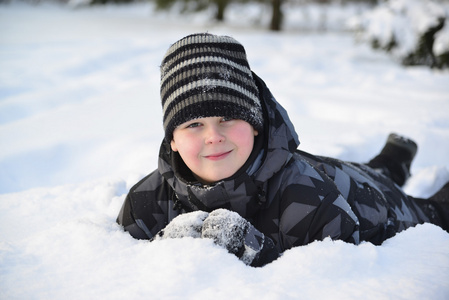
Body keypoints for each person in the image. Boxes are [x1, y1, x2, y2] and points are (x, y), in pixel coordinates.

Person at [117, 33, 449, 267]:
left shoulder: (309, 203)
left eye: (228, 118)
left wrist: (261, 260)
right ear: (172, 140)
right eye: (193, 125)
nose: (213, 136)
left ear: (256, 124)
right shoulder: (144, 205)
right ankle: (391, 161)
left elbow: (342, 278)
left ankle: (389, 167)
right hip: (326, 172)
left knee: (432, 211)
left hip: (367, 202)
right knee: (373, 170)